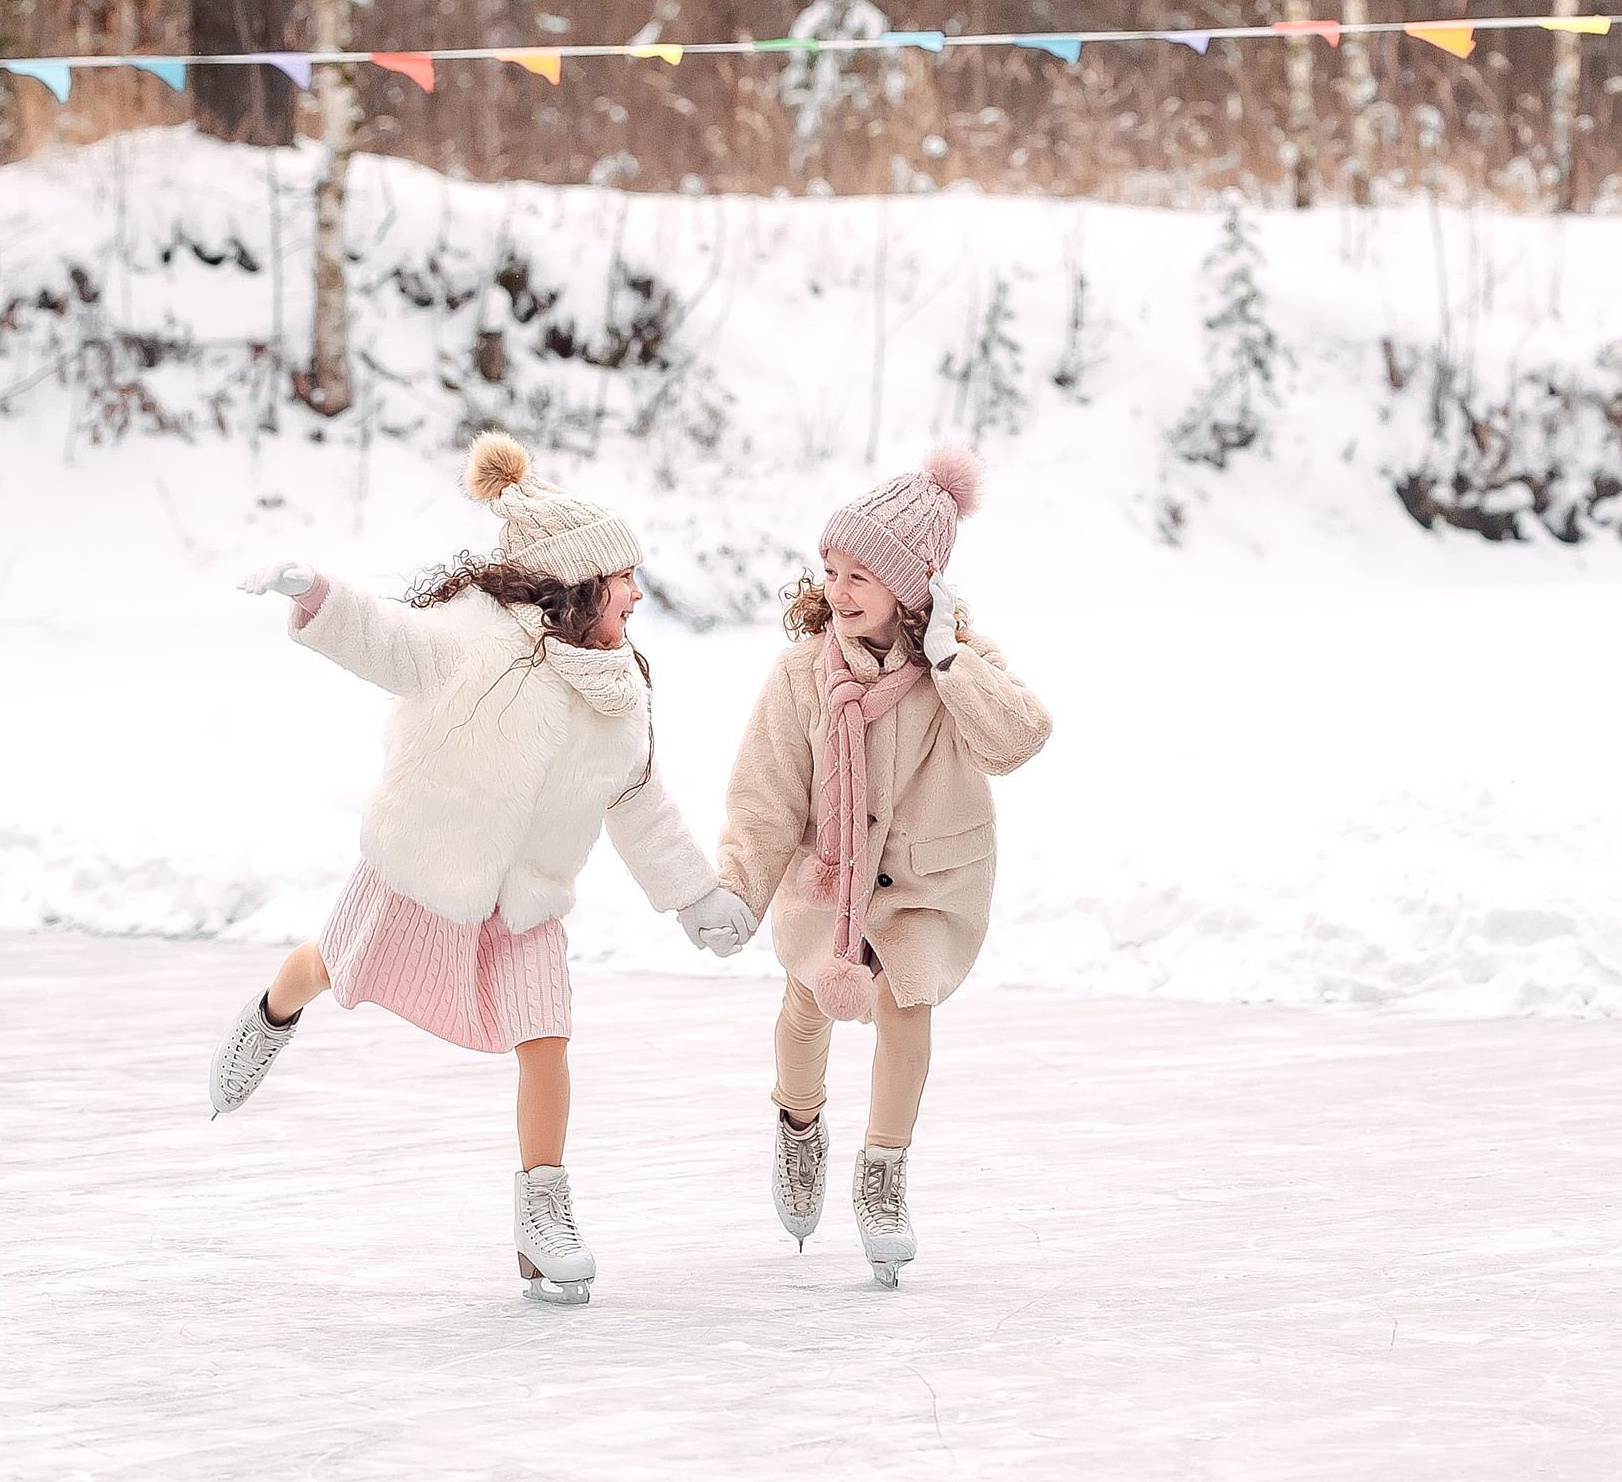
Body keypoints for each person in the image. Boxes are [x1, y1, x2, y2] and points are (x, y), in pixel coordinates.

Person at [218, 431, 756, 1305]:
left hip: (527, 902)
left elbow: (641, 803)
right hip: (429, 868)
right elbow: (386, 640)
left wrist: (695, 898)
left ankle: (541, 1219)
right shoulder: (474, 641)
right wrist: (315, 595)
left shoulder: (618, 695)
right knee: (333, 966)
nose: (640, 594)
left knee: (547, 1043)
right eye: (626, 580)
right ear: (580, 585)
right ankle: (272, 1014)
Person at [716, 448, 1051, 1286]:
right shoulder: (802, 673)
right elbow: (764, 799)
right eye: (832, 570)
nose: (840, 590)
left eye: (862, 574)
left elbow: (1019, 740)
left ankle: (884, 1173)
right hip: (827, 879)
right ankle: (799, 1125)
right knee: (805, 1009)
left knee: (909, 1011)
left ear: (916, 582)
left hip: (928, 888)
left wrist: (949, 660)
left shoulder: (959, 666)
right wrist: (737, 894)